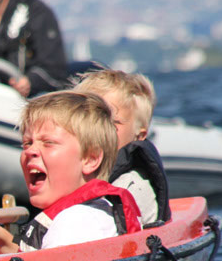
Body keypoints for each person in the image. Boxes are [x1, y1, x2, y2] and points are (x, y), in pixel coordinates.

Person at [0, 91, 141, 253]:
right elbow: (28, 258)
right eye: (27, 143)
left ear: (90, 159)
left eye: (48, 143)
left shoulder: (76, 223)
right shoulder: (94, 211)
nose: (30, 151)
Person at [71, 69, 171, 225]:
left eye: (111, 123)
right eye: (86, 122)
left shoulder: (129, 189)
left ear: (139, 136)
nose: (97, 131)